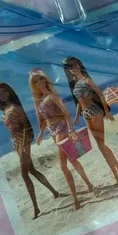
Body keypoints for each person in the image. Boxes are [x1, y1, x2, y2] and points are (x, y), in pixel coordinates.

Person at [0, 81, 59, 219]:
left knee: (24, 174)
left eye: (4, 92)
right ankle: (54, 192)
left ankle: (36, 208)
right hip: (15, 142)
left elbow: (26, 127)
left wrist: (25, 146)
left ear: (10, 91)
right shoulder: (5, 108)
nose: (2, 95)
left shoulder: (16, 107)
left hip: (23, 141)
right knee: (32, 170)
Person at [29, 68, 95, 211]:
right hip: (52, 131)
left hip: (62, 128)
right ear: (33, 85)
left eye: (41, 79)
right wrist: (40, 134)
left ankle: (75, 199)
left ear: (45, 79)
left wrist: (70, 129)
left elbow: (66, 113)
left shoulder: (52, 96)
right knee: (72, 159)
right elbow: (43, 121)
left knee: (63, 166)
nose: (40, 82)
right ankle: (89, 184)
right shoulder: (38, 101)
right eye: (36, 81)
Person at [63, 57, 118, 186]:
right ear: (68, 70)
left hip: (95, 111)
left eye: (75, 65)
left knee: (101, 146)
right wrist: (77, 116)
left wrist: (107, 111)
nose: (74, 68)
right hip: (86, 114)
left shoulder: (87, 80)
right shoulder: (74, 83)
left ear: (79, 65)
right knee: (101, 145)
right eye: (71, 67)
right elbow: (79, 102)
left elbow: (100, 95)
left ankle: (116, 177)